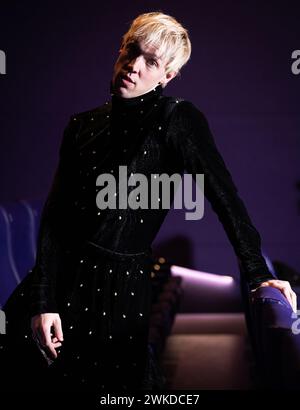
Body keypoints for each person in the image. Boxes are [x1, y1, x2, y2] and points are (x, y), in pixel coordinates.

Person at [0, 11, 297, 393]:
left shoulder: (178, 119)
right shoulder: (81, 125)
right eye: (131, 51)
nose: (134, 67)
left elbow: (226, 199)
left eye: (151, 61)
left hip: (120, 295)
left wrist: (257, 273)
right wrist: (43, 301)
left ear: (168, 75)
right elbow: (56, 222)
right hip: (58, 292)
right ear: (121, 49)